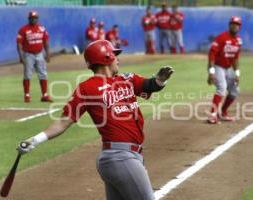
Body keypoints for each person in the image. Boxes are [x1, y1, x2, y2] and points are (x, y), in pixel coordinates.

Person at [17, 40, 174, 200]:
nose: (118, 59)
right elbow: (64, 121)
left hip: (126, 158)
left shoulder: (126, 79)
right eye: (114, 55)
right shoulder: (87, 88)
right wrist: (35, 140)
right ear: (106, 58)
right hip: (120, 157)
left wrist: (160, 79)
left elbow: (149, 85)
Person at [207, 16, 242, 124]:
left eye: (237, 24)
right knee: (222, 88)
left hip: (228, 68)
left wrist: (237, 73)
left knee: (235, 91)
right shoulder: (221, 37)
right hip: (218, 67)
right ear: (229, 25)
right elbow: (212, 54)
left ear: (239, 27)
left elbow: (236, 58)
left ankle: (223, 112)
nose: (234, 26)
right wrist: (211, 72)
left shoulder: (238, 41)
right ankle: (212, 115)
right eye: (232, 24)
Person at [17, 10, 52, 103]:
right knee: (27, 74)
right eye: (32, 18)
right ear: (29, 19)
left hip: (40, 54)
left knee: (43, 74)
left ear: (37, 18)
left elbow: (46, 42)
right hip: (28, 54)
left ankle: (44, 95)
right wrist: (20, 56)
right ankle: (27, 95)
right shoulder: (23, 29)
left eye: (35, 18)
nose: (33, 19)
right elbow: (19, 44)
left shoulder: (42, 28)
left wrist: (48, 54)